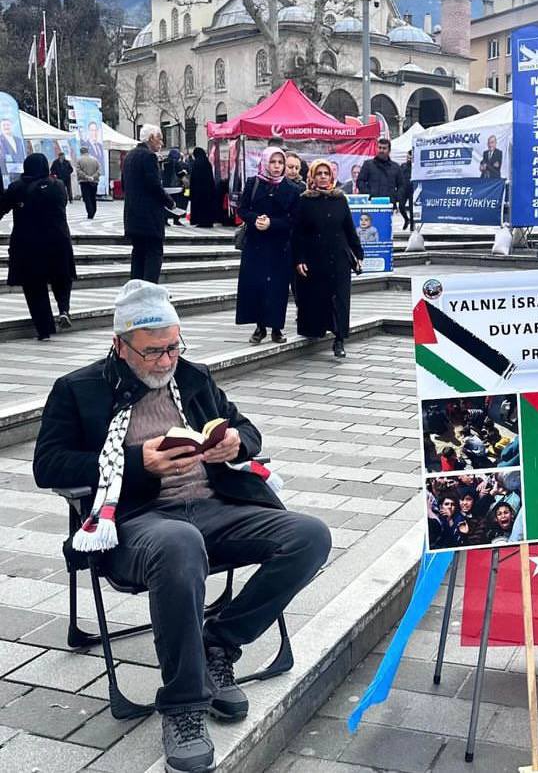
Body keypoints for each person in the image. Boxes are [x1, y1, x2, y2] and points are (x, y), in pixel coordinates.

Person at [32, 280, 331, 773]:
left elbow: (247, 429)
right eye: (152, 352)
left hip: (215, 507)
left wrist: (236, 443)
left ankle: (220, 642)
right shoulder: (78, 389)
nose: (165, 361)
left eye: (173, 347)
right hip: (134, 522)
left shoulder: (193, 379)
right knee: (179, 543)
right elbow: (50, 465)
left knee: (310, 535)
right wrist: (135, 463)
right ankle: (184, 706)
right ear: (119, 345)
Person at [293, 159, 364, 358]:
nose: (323, 177)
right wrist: (299, 259)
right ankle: (314, 330)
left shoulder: (340, 198)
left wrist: (359, 254)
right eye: (319, 173)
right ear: (312, 177)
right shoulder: (305, 200)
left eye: (326, 173)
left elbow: (349, 228)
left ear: (332, 177)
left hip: (338, 257)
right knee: (316, 296)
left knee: (340, 299)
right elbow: (298, 233)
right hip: (315, 257)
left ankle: (339, 339)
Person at [0, 153, 75, 340]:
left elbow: (2, 207)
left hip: (28, 245)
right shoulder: (58, 186)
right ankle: (64, 309)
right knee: (62, 277)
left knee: (34, 286)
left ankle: (44, 330)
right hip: (58, 240)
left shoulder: (18, 188)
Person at [236, 147, 300, 345]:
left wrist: (272, 223)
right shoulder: (253, 183)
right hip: (256, 244)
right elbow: (242, 209)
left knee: (278, 287)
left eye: (280, 163)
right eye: (273, 162)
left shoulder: (291, 189)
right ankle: (260, 327)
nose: (277, 167)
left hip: (279, 246)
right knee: (257, 286)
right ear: (265, 163)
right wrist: (255, 220)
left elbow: (293, 219)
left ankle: (276, 328)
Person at [122, 124, 175, 283]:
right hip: (149, 218)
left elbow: (125, 185)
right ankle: (149, 292)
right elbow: (154, 185)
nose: (162, 143)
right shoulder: (149, 157)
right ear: (151, 138)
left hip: (132, 216)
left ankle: (136, 291)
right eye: (160, 138)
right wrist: (169, 202)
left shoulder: (130, 156)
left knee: (138, 255)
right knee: (153, 254)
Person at [356, 138, 402, 204]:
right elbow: (360, 181)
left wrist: (395, 198)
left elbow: (401, 185)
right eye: (379, 148)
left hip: (389, 204)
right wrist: (369, 194)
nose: (381, 150)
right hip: (371, 204)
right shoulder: (368, 165)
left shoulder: (396, 167)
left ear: (389, 150)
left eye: (384, 148)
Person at [188, 147, 218, 228]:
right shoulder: (207, 162)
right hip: (208, 190)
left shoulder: (196, 163)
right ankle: (208, 221)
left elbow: (193, 178)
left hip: (198, 191)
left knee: (200, 207)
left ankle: (201, 221)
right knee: (207, 206)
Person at [162, 148, 188, 225]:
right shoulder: (176, 163)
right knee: (177, 203)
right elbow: (181, 176)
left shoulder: (164, 162)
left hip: (165, 186)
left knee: (166, 203)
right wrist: (186, 185)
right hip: (175, 188)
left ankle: (165, 220)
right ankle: (176, 220)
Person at [76, 146, 101, 219]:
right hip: (94, 181)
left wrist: (86, 176)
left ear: (81, 152)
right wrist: (93, 177)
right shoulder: (95, 160)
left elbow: (78, 170)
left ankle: (90, 212)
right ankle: (94, 210)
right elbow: (99, 170)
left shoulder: (79, 160)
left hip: (84, 181)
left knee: (87, 198)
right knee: (93, 197)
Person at [400, 150, 414, 231]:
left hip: (412, 189)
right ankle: (406, 219)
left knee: (412, 209)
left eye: (410, 158)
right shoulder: (403, 165)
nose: (408, 159)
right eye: (408, 157)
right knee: (401, 206)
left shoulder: (416, 167)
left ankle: (412, 224)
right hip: (404, 189)